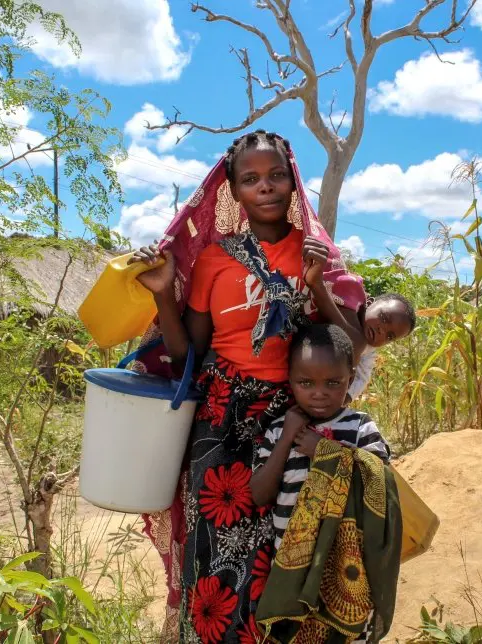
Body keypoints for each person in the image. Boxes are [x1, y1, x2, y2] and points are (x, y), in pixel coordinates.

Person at [127, 130, 366, 643]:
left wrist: (317, 285)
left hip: (293, 417)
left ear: (292, 180)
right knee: (213, 548)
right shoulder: (214, 259)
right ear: (233, 192)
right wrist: (165, 292)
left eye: (277, 175)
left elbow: (352, 347)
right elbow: (186, 352)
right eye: (251, 179)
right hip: (219, 422)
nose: (266, 187)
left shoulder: (315, 256)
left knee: (286, 549)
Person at [250, 324, 400, 643]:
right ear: (290, 380)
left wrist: (324, 451)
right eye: (306, 383)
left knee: (346, 631)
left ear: (350, 378)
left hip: (350, 566)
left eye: (333, 382)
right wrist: (289, 434)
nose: (319, 393)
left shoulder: (360, 427)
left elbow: (380, 481)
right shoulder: (278, 432)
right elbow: (259, 494)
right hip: (291, 565)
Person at [300, 237, 417, 402]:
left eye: (389, 336)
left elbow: (362, 377)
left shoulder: (367, 349)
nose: (381, 330)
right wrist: (318, 285)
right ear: (369, 302)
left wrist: (344, 398)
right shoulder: (351, 296)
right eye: (383, 318)